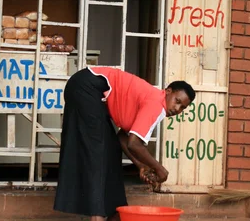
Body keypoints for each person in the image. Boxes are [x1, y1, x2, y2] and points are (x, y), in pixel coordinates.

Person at [53, 66, 195, 221]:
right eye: (177, 101)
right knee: (99, 154)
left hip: (83, 85)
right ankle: (98, 216)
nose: (177, 108)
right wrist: (160, 169)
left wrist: (141, 166)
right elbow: (135, 143)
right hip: (87, 86)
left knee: (112, 149)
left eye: (183, 107)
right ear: (168, 91)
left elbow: (123, 138)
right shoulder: (157, 104)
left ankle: (115, 213)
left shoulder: (153, 101)